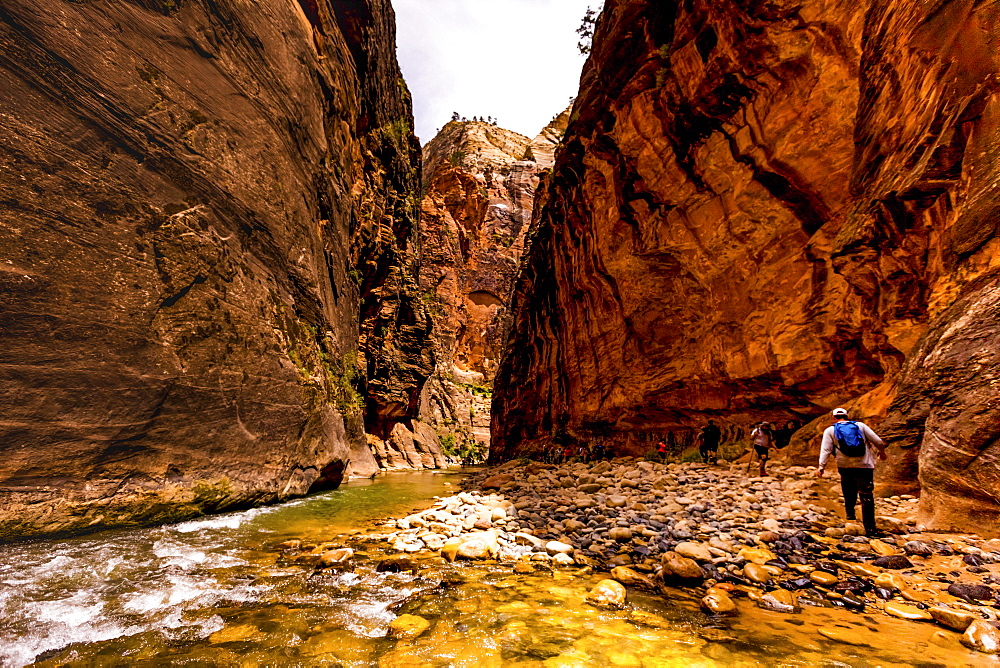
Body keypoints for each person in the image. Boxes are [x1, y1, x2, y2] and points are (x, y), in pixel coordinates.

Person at [815, 407, 888, 537]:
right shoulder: (860, 426)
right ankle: (870, 529)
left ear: (833, 418)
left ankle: (850, 516)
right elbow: (877, 441)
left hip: (844, 465)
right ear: (847, 416)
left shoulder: (830, 430)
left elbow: (825, 450)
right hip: (864, 465)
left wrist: (821, 467)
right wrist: (881, 452)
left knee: (848, 489)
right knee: (866, 494)